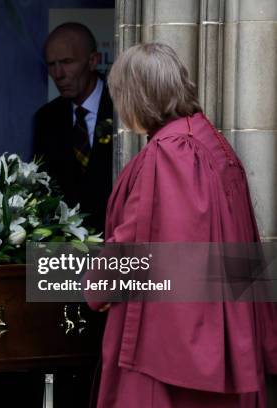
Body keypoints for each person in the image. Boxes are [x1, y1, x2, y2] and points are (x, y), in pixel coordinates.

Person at [89, 42, 277, 407]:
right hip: (224, 336)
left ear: (137, 97)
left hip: (164, 352)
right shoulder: (212, 142)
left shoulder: (169, 153)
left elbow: (133, 245)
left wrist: (97, 289)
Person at [33, 22, 113, 233]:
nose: (58, 74)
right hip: (66, 249)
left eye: (67, 62)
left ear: (93, 60)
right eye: (51, 64)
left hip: (121, 245)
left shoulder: (123, 107)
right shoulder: (46, 118)